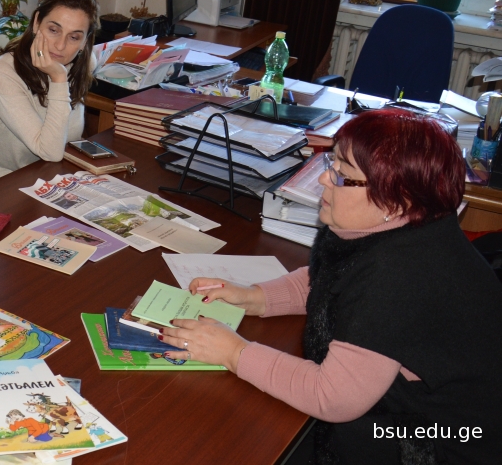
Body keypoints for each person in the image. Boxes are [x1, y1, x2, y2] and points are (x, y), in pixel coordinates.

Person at [156, 110, 502, 463]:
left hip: (439, 440)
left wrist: (233, 353)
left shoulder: (401, 276)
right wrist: (254, 297)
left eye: (343, 175)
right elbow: (332, 278)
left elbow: (333, 397)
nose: (324, 178)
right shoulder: (398, 227)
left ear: (396, 198)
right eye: (331, 163)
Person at [0, 0, 100, 178]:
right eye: (53, 30)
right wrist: (58, 79)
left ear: (85, 41)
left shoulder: (82, 64)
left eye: (74, 37)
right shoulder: (2, 73)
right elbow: (50, 152)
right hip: (6, 181)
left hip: (59, 176)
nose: (60, 46)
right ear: (36, 23)